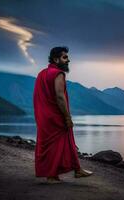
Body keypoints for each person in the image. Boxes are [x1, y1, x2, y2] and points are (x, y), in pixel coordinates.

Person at [33, 46, 93, 184]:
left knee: (65, 142)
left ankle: (77, 170)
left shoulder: (42, 73)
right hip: (55, 116)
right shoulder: (58, 73)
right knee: (58, 145)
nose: (68, 60)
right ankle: (52, 176)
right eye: (65, 57)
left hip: (44, 117)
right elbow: (60, 96)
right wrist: (67, 117)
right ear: (56, 59)